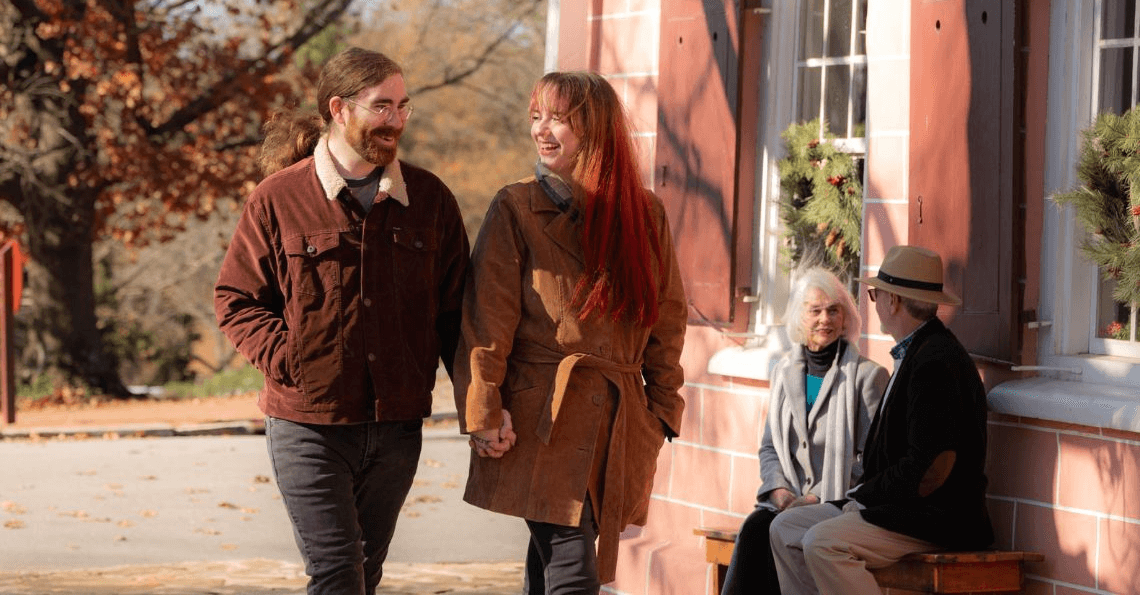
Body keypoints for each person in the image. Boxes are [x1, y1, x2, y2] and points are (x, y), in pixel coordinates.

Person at [214, 47, 469, 594]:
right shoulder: (278, 199)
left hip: (397, 426)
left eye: (403, 106)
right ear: (339, 108)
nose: (396, 120)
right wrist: (292, 359)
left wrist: (482, 406)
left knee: (364, 576)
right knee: (337, 573)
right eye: (382, 106)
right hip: (309, 425)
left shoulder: (430, 200)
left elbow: (457, 316)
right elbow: (236, 299)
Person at [451, 71, 687, 594]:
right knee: (572, 567)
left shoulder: (645, 213)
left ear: (595, 127)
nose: (541, 129)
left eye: (557, 118)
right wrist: (483, 410)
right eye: (536, 116)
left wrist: (661, 413)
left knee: (555, 565)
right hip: (540, 419)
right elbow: (486, 322)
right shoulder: (516, 207)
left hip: (619, 422)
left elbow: (667, 320)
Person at [768, 245, 994, 595]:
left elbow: (931, 469)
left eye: (876, 295)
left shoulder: (935, 361)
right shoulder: (918, 351)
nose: (873, 304)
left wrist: (863, 496)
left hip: (933, 519)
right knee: (785, 528)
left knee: (823, 543)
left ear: (894, 301)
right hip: (901, 508)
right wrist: (861, 498)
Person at [720, 267, 887, 595]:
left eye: (833, 310)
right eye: (815, 310)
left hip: (838, 502)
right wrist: (781, 493)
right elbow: (770, 448)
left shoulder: (868, 377)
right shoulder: (784, 372)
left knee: (779, 533)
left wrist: (814, 497)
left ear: (845, 317)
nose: (825, 319)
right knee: (756, 530)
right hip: (787, 502)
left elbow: (869, 459)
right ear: (799, 317)